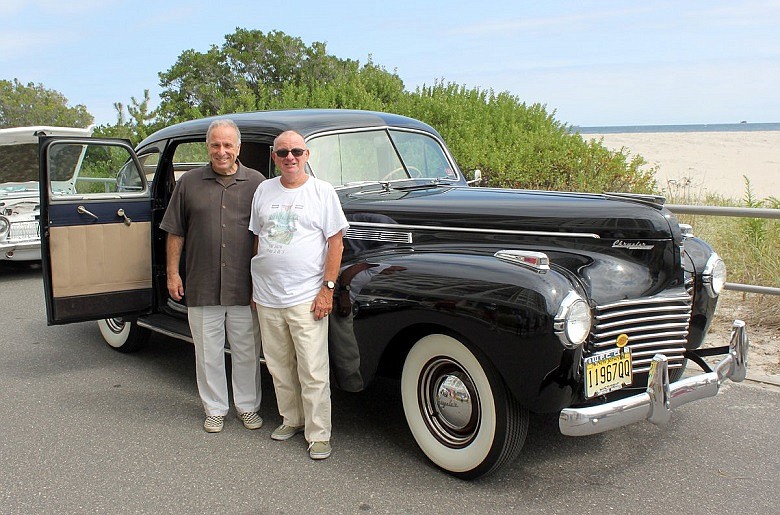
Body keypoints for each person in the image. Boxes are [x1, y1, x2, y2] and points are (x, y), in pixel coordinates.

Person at [160, 118, 265, 433]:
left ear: (238, 147)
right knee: (207, 352)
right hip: (202, 283)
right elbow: (175, 232)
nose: (222, 151)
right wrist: (172, 274)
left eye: (227, 145)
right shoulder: (189, 182)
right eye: (215, 145)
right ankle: (215, 408)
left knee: (247, 351)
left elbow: (267, 233)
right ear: (207, 147)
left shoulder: (257, 182)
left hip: (244, 285)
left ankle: (247, 407)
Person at [249, 130, 348, 460]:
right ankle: (291, 419)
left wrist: (327, 290)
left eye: (296, 151)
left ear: (307, 155)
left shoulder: (322, 192)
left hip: (306, 296)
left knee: (313, 369)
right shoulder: (264, 190)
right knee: (278, 365)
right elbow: (257, 238)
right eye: (282, 152)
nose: (289, 157)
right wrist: (255, 286)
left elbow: (336, 243)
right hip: (267, 296)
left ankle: (318, 433)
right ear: (274, 157)